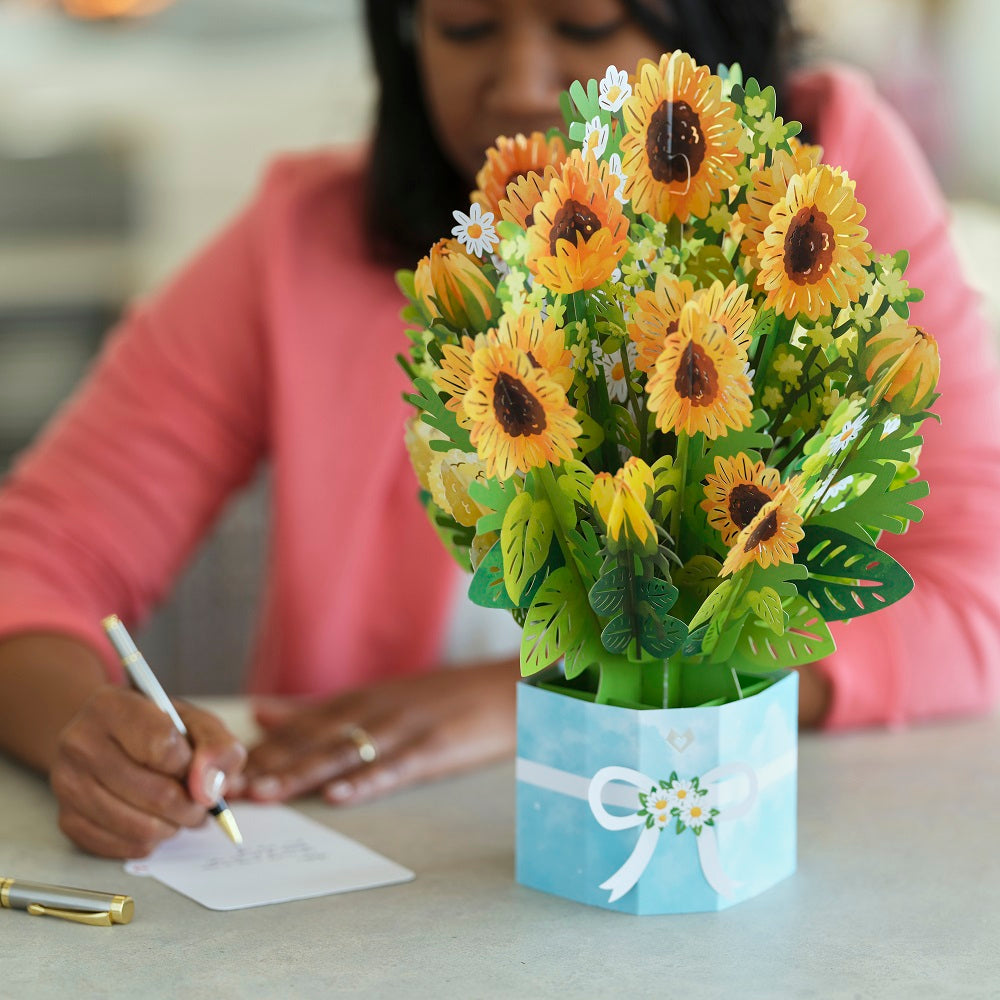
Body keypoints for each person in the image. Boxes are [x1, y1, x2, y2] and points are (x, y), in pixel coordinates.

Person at [0, 0, 997, 860]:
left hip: (769, 886)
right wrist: (82, 733)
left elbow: (977, 593)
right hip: (372, 897)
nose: (518, 84)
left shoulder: (827, 195)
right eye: (465, 26)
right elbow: (35, 559)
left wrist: (549, 688)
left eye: (584, 23)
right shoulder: (306, 242)